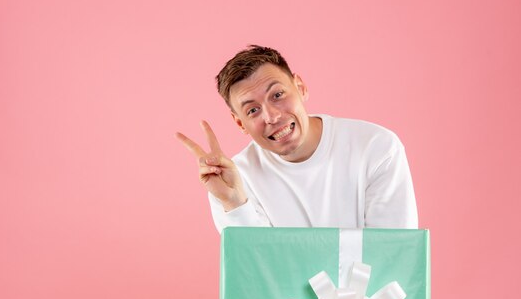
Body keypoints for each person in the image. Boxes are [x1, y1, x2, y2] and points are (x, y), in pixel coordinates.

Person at [175, 45, 418, 233]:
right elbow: (256, 272)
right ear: (240, 123)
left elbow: (393, 253)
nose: (272, 116)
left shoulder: (376, 147)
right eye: (252, 110)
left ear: (300, 87)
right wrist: (235, 203)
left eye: (278, 94)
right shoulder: (232, 180)